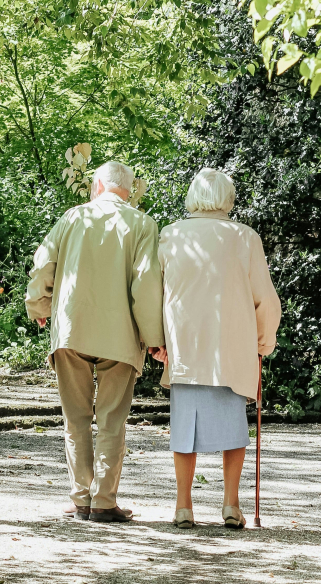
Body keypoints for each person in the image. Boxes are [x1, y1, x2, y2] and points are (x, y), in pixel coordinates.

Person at [25, 161, 166, 523]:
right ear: (129, 190)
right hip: (120, 335)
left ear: (97, 185)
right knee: (111, 420)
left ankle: (80, 499)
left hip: (72, 330)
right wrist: (154, 339)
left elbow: (43, 266)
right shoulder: (142, 224)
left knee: (75, 419)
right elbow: (146, 284)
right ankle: (103, 502)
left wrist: (39, 305)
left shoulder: (72, 218)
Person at [154, 168, 281, 529]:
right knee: (233, 429)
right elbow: (265, 299)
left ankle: (183, 506)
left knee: (183, 429)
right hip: (231, 347)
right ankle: (230, 504)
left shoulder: (171, 235)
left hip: (186, 346)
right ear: (228, 198)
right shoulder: (244, 238)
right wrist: (263, 340)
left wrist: (156, 341)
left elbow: (155, 294)